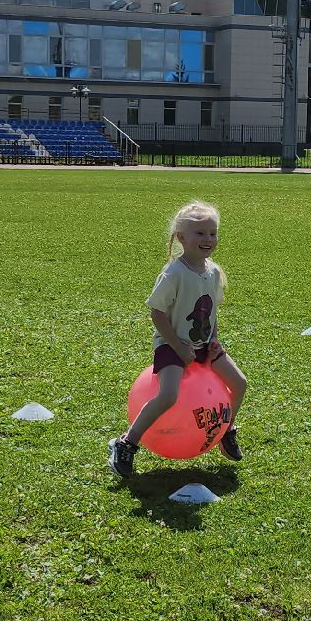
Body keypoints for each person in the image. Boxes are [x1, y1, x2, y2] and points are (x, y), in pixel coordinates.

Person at [109, 200, 248, 479]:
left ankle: (225, 429)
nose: (208, 239)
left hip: (204, 346)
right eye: (200, 233)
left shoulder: (213, 272)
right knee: (169, 395)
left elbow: (212, 311)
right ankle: (126, 443)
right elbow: (157, 313)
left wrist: (214, 340)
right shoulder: (173, 273)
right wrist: (178, 347)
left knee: (239, 383)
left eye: (212, 233)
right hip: (171, 345)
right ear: (181, 237)